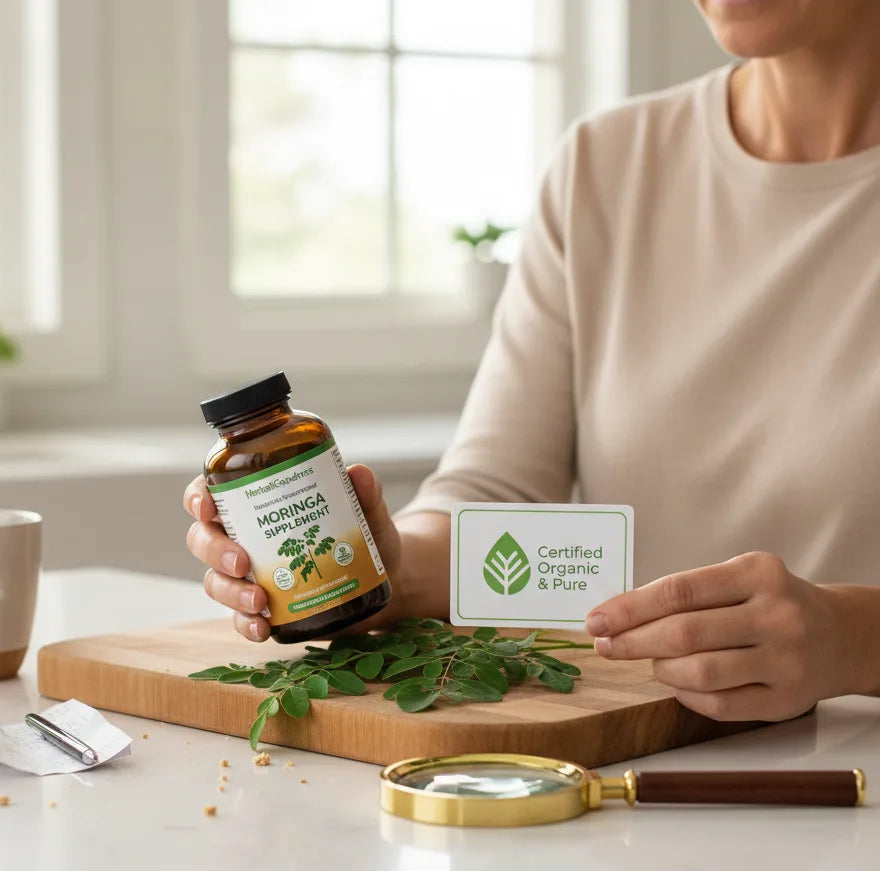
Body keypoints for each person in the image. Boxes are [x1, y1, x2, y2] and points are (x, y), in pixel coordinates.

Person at [185, 0, 880, 724]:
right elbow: (497, 494)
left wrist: (858, 640)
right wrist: (379, 567)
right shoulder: (608, 165)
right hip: (626, 774)